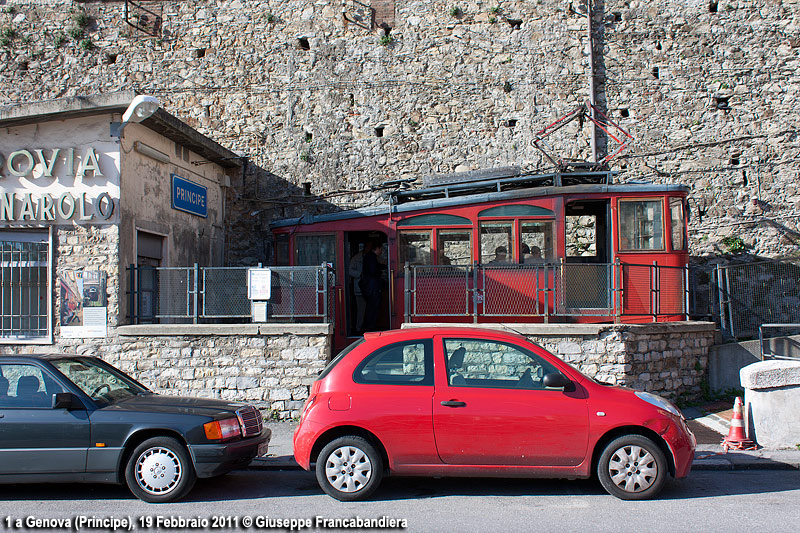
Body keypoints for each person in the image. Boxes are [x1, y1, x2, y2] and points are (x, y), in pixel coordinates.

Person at [360, 240, 384, 332]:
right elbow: (373, 271)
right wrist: (381, 272)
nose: (381, 251)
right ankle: (370, 328)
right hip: (372, 287)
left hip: (369, 287)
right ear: (377, 248)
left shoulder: (369, 257)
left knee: (370, 308)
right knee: (372, 309)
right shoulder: (372, 257)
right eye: (381, 249)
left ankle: (369, 327)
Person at [349, 244, 366, 333]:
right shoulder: (356, 258)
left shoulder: (373, 256)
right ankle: (358, 328)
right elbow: (350, 271)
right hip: (359, 287)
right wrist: (360, 274)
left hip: (369, 287)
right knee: (361, 309)